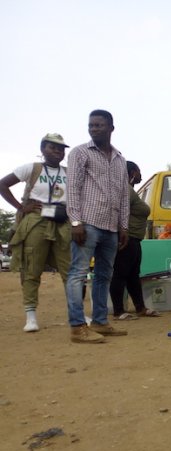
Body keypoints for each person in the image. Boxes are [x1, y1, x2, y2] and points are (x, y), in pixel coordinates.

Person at [65, 109, 131, 343]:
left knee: (104, 276)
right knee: (78, 274)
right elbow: (72, 188)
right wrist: (75, 221)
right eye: (91, 125)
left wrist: (123, 227)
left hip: (111, 227)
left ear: (111, 128)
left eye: (99, 125)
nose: (94, 129)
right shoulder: (80, 153)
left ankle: (101, 322)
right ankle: (77, 327)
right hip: (88, 224)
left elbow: (124, 196)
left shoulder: (120, 159)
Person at [0, 133, 71, 332]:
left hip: (61, 221)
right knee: (32, 268)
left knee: (70, 269)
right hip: (35, 221)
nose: (57, 151)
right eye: (52, 147)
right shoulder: (32, 168)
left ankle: (76, 313)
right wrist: (21, 208)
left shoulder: (69, 172)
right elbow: (2, 184)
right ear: (42, 149)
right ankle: (31, 316)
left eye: (61, 148)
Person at [109, 161, 161, 320]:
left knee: (133, 275)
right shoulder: (125, 190)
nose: (140, 175)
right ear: (132, 172)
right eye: (138, 172)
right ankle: (118, 311)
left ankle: (140, 308)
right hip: (127, 238)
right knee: (120, 274)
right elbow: (117, 212)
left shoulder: (129, 190)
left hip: (135, 239)